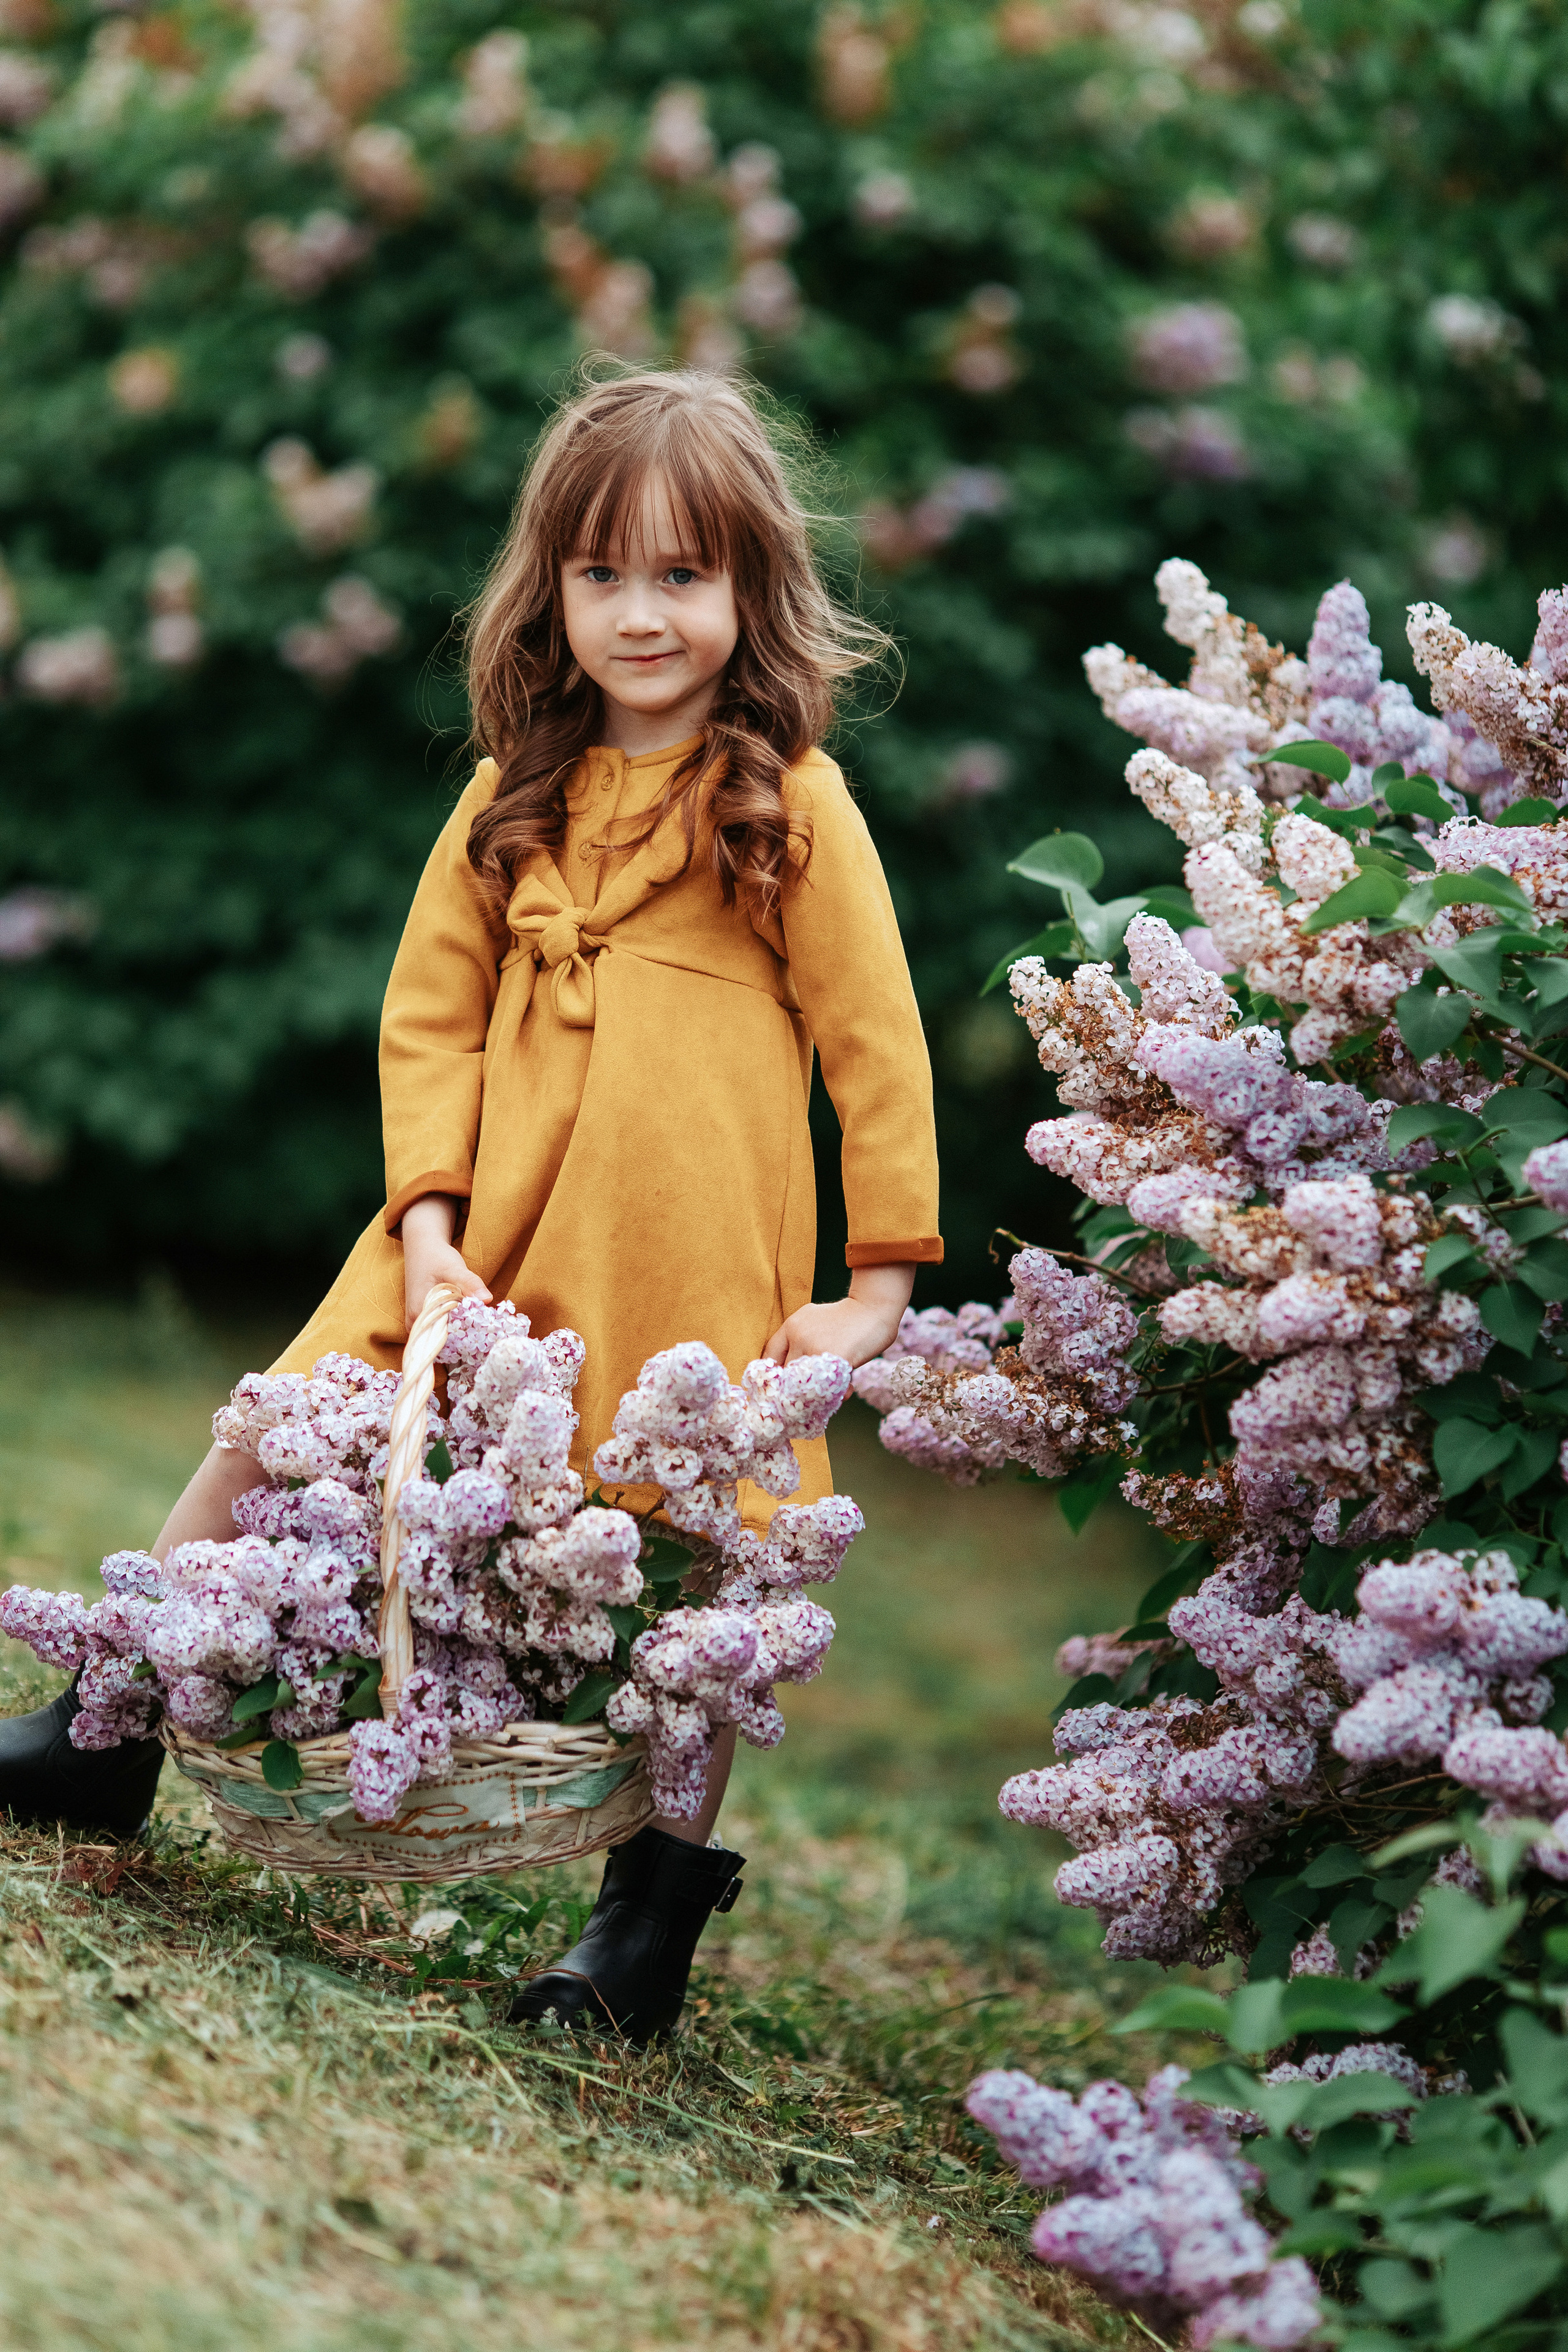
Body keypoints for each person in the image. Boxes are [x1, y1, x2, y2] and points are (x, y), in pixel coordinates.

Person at [0, 366, 941, 2039]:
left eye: (682, 574)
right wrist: (427, 1220)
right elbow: (429, 1017)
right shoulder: (517, 785)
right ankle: (106, 1724)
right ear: (551, 590)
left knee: (692, 1573)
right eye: (602, 573)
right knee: (277, 1422)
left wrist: (875, 1288)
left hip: (682, 1250)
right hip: (480, 1237)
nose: (641, 613)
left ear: (750, 587)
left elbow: (878, 1048)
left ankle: (642, 1927)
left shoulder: (788, 799)